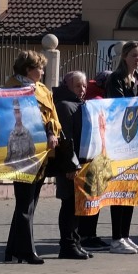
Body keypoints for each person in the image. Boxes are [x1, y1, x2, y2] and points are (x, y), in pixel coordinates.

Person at [3, 50, 61, 265]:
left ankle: (13, 249)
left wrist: (52, 131)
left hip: (43, 152)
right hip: (22, 150)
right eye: (40, 68)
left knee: (30, 203)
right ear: (29, 69)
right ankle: (26, 250)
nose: (43, 71)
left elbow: (53, 116)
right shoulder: (11, 89)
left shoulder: (42, 89)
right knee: (25, 202)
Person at [105, 40, 138, 255]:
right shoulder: (116, 79)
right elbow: (118, 106)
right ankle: (116, 238)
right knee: (120, 189)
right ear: (124, 57)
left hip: (135, 141)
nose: (137, 59)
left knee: (131, 190)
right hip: (119, 141)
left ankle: (125, 235)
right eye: (134, 55)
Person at [53, 71, 89, 260]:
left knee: (77, 205)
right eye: (78, 86)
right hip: (70, 166)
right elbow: (65, 138)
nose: (82, 90)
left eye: (84, 86)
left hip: (81, 164)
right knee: (68, 205)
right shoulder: (64, 106)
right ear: (67, 86)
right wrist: (70, 165)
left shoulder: (81, 105)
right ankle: (66, 245)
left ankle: (75, 242)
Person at [79, 68, 112, 251]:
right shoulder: (98, 102)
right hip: (93, 156)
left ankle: (89, 234)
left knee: (94, 197)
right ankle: (87, 235)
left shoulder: (95, 99)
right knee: (91, 197)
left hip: (94, 155)